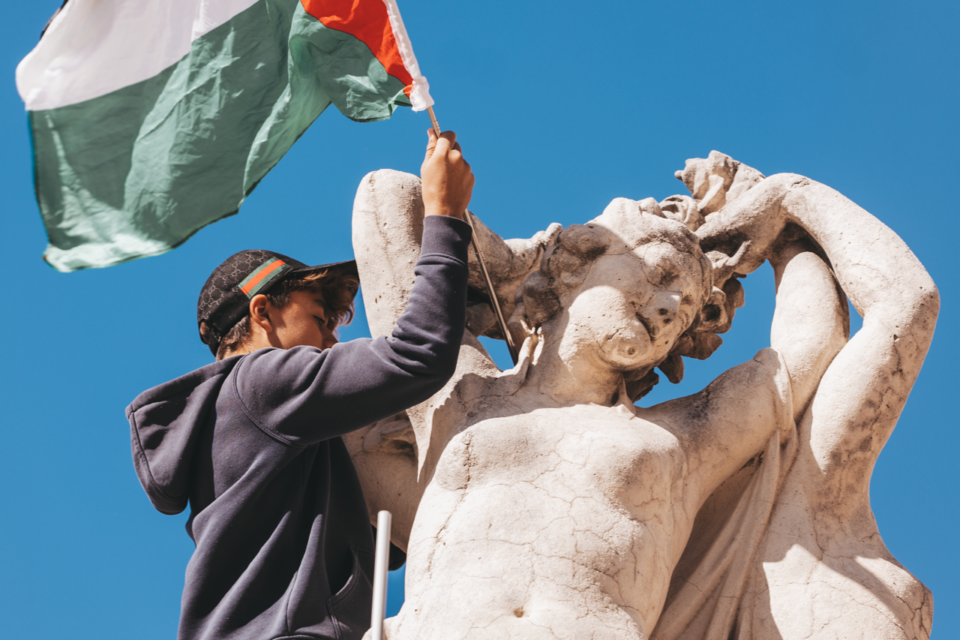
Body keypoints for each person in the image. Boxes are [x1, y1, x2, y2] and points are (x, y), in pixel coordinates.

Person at [126, 130, 474, 640]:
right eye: (320, 318)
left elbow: (383, 543)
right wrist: (444, 213)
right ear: (262, 312)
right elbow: (417, 353)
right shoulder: (263, 384)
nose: (333, 342)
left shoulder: (252, 425)